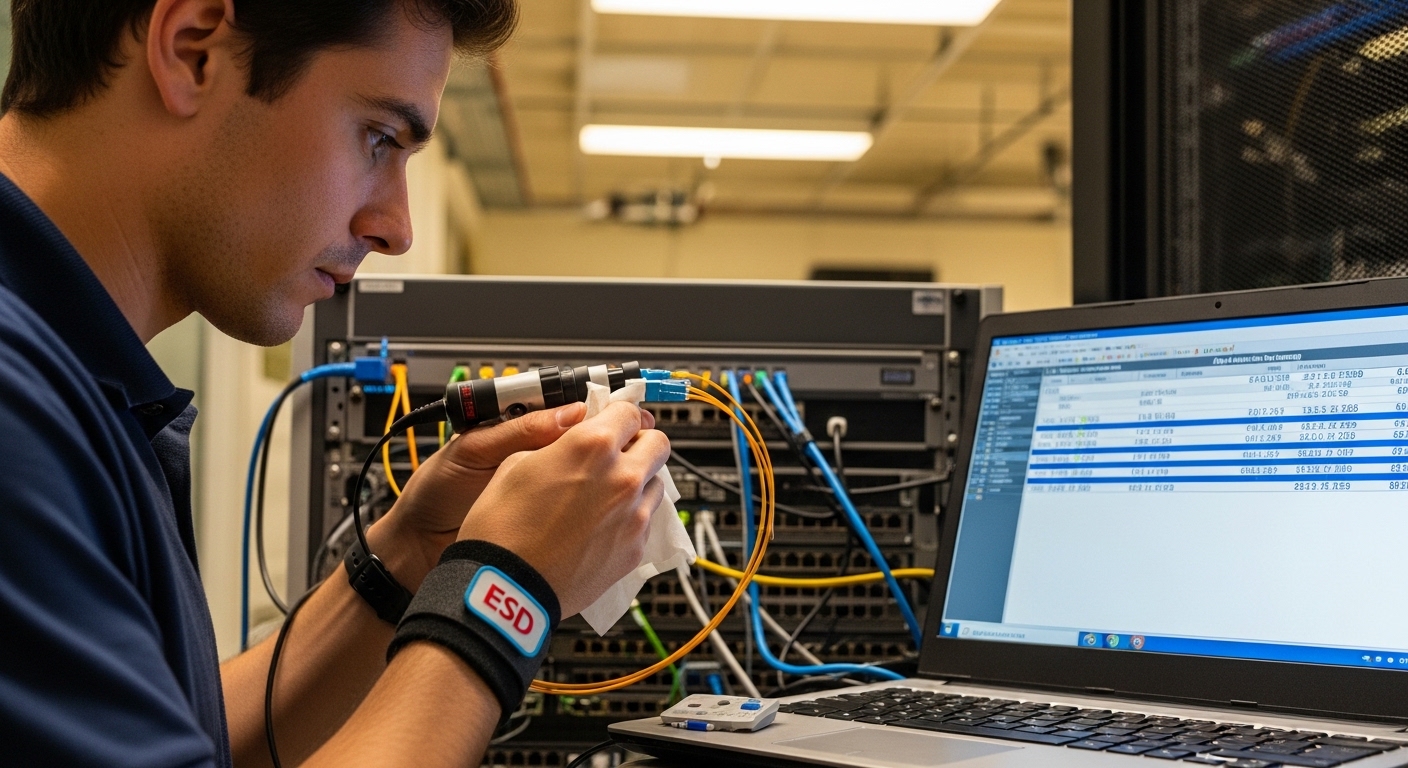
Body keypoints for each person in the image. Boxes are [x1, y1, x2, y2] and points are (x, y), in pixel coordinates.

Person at [0, 1, 670, 765]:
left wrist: (414, 557)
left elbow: (182, 739)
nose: (397, 227)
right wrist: (505, 587)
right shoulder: (14, 405)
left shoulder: (75, 385)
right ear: (192, 51)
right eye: (380, 138)